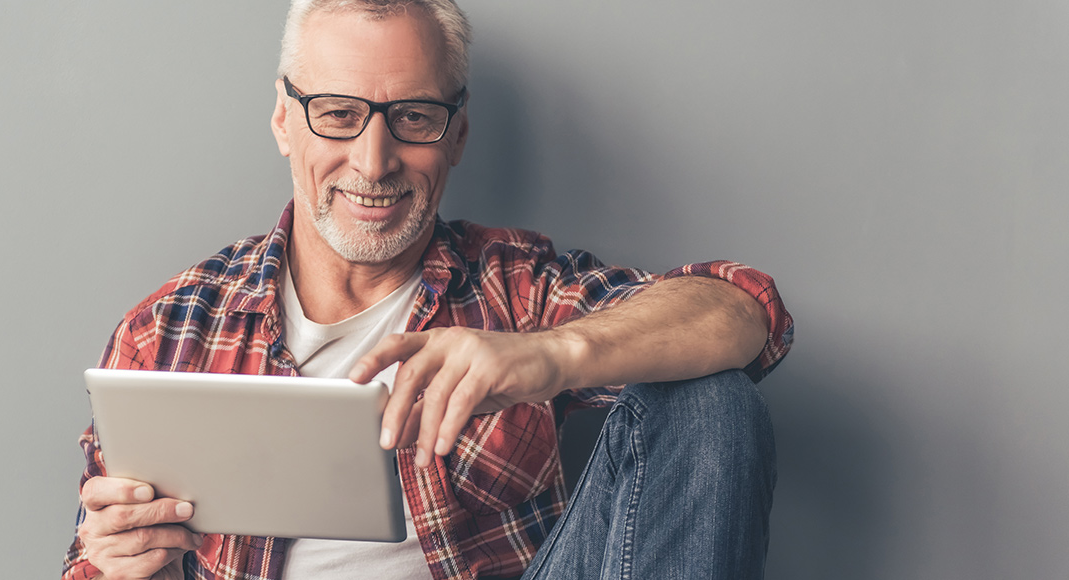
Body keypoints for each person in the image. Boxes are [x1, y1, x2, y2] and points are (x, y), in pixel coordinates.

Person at [61, 1, 794, 579]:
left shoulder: (517, 288)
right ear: (286, 121)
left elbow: (745, 308)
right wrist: (123, 569)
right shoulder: (172, 330)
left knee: (710, 396)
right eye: (339, 115)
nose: (374, 162)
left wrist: (552, 354)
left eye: (413, 118)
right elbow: (93, 563)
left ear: (458, 135)